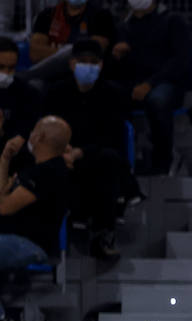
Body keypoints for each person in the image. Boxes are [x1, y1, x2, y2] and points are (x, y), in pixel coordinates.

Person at [39, 36, 135, 257]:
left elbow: (115, 138)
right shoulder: (55, 92)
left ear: (101, 65)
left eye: (94, 62)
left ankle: (104, 235)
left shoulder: (112, 94)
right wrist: (63, 151)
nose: (88, 66)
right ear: (72, 63)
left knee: (108, 162)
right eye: (83, 61)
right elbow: (44, 128)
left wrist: (81, 152)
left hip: (97, 156)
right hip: (61, 155)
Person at [110, 0, 192, 174]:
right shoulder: (121, 27)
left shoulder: (173, 21)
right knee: (107, 95)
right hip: (132, 84)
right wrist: (115, 56)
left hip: (165, 83)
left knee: (158, 100)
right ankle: (119, 162)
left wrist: (150, 84)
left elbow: (181, 61)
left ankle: (163, 160)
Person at [0, 116, 73, 272]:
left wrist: (5, 194)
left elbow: (4, 207)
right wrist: (5, 159)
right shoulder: (39, 168)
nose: (30, 134)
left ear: (39, 137)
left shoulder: (48, 172)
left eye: (34, 130)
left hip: (29, 243)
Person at [29, 0, 115, 67]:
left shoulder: (102, 16)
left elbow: (93, 53)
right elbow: (35, 53)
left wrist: (55, 52)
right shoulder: (47, 15)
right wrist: (76, 52)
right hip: (52, 77)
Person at [0, 37, 40, 141]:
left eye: (11, 68)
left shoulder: (28, 94)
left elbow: (25, 133)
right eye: (1, 67)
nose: (5, 73)